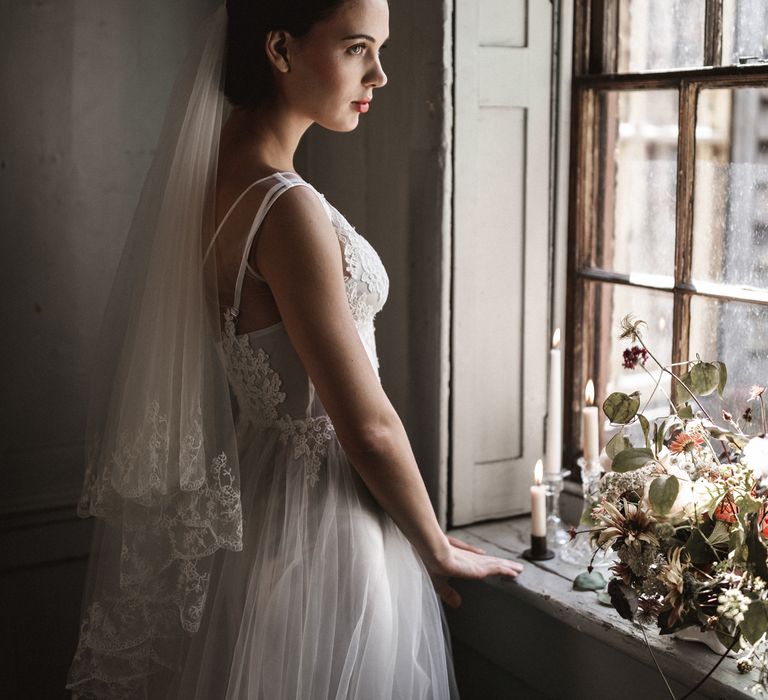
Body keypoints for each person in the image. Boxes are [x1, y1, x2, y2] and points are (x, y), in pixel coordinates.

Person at [67, 2, 522, 698]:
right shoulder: (285, 208)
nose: (380, 73)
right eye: (356, 49)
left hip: (259, 510)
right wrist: (435, 546)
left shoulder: (212, 183)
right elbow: (365, 426)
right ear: (280, 49)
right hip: (326, 529)